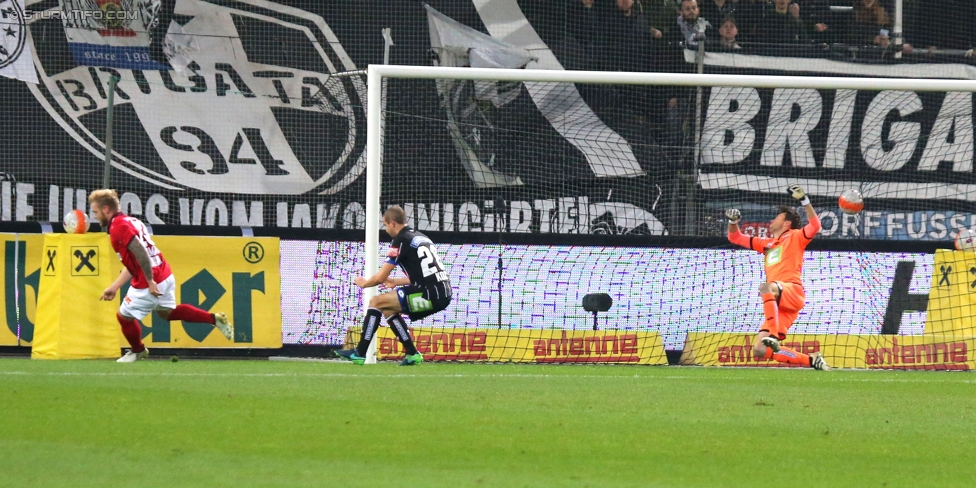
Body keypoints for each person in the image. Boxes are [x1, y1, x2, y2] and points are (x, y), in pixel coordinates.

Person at [89, 189, 234, 363]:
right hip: (164, 274)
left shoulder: (118, 226)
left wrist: (150, 281)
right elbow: (133, 261)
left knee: (124, 316)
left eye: (95, 212)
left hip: (150, 279)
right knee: (167, 313)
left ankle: (138, 350)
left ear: (106, 209)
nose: (95, 216)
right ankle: (214, 319)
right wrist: (114, 287)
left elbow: (141, 252)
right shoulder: (132, 221)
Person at [725, 185, 829, 371]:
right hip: (779, 305)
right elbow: (736, 238)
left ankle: (772, 335)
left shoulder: (796, 236)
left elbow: (815, 226)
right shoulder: (767, 244)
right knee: (759, 349)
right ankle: (812, 360)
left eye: (777, 218)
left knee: (766, 287)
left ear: (787, 223)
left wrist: (804, 201)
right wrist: (733, 222)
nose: (772, 221)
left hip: (791, 291)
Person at [336, 206, 452, 366]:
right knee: (388, 308)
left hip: (430, 294)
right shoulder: (420, 237)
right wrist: (395, 282)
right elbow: (425, 274)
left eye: (385, 225)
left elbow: (381, 276)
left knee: (376, 302)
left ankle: (360, 353)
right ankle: (412, 354)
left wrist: (365, 284)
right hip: (442, 293)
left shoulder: (400, 240)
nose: (385, 229)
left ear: (392, 223)